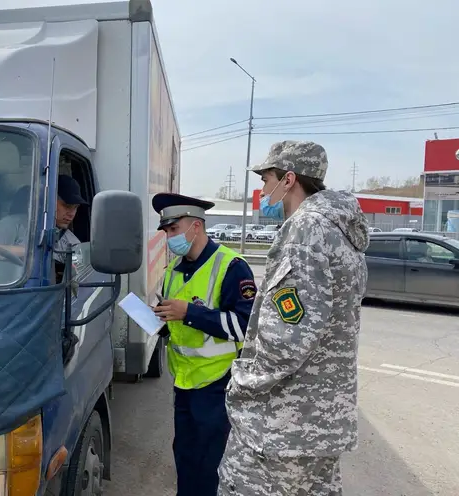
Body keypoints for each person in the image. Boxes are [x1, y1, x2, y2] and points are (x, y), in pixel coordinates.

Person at [218, 141, 370, 496]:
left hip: (282, 423)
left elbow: (287, 336)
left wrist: (241, 382)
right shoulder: (339, 230)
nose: (261, 190)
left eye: (265, 179)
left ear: (288, 180)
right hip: (320, 421)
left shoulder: (306, 229)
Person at [151, 193, 257, 496]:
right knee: (185, 458)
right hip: (183, 383)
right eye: (166, 232)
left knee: (211, 464)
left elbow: (246, 327)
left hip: (216, 384)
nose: (169, 238)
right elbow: (176, 327)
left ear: (195, 226)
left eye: (173, 230)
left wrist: (190, 313)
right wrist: (161, 321)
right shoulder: (172, 271)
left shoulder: (232, 266)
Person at [0, 175, 86, 268]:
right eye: (66, 206)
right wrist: (28, 252)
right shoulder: (15, 224)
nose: (71, 213)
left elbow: (77, 282)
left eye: (75, 207)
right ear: (47, 200)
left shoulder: (72, 243)